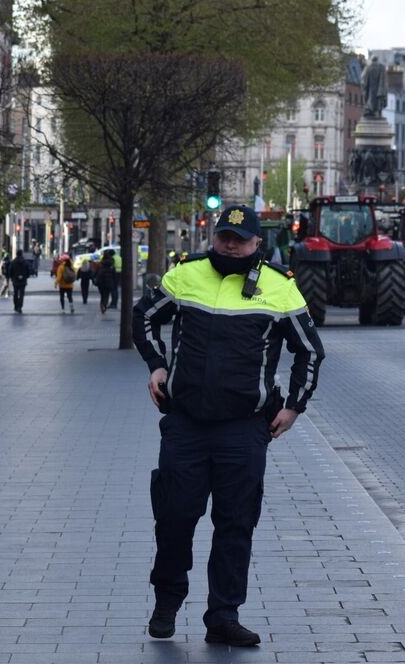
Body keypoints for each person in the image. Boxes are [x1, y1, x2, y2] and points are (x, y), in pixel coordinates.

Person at [132, 205, 325, 647]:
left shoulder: (279, 288)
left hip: (244, 429)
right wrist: (157, 366)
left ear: (257, 243)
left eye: (240, 238)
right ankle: (167, 600)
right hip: (186, 424)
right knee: (175, 517)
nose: (231, 244)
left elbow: (310, 352)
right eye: (225, 236)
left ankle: (223, 615)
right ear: (214, 236)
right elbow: (143, 318)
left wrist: (295, 407)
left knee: (235, 525)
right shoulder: (186, 276)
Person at [94, 250, 117, 315]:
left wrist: (94, 280)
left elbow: (95, 273)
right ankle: (104, 305)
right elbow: (114, 275)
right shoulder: (112, 265)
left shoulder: (100, 264)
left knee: (102, 295)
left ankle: (102, 304)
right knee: (106, 295)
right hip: (109, 282)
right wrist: (115, 283)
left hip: (100, 283)